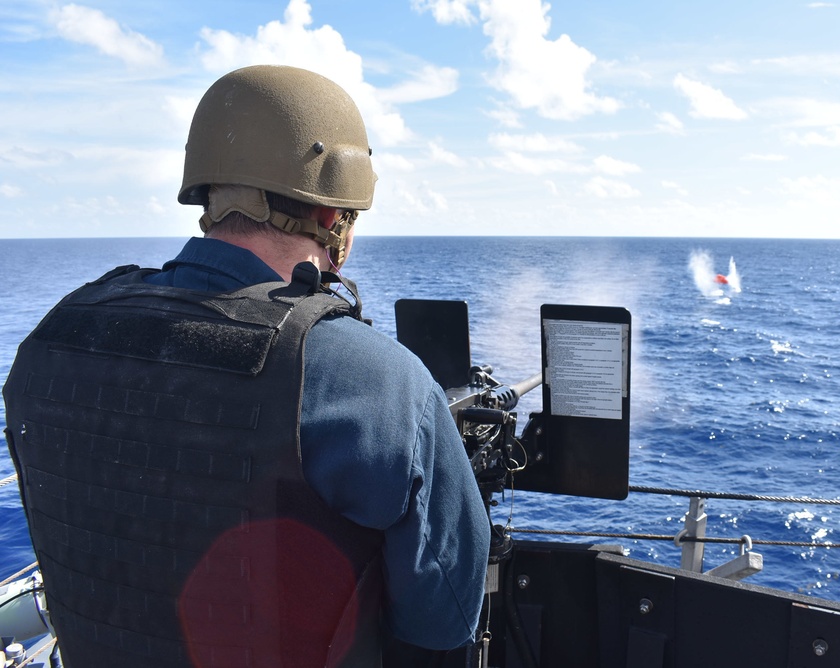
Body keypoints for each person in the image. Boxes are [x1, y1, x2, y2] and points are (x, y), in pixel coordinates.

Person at [3, 64, 490, 667]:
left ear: (206, 197)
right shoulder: (375, 383)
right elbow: (443, 622)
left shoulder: (51, 342)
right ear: (332, 216)